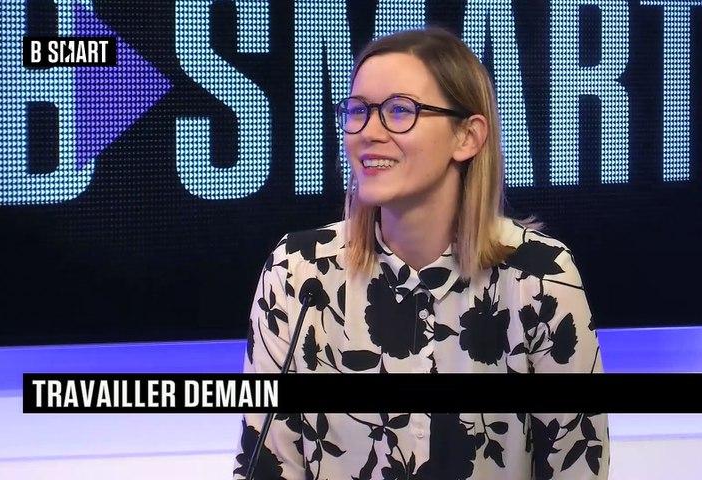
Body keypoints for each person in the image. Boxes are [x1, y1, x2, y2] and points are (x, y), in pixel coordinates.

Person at [233, 26, 609, 480]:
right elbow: (268, 464)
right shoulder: (297, 272)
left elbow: (577, 465)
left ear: (467, 137)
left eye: (399, 110)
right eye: (358, 111)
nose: (368, 133)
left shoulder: (541, 277)